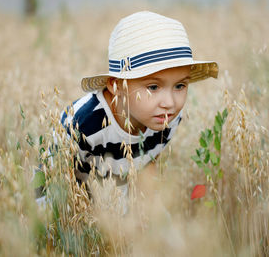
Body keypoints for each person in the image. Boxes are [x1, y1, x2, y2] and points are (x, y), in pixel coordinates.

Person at [54, 11, 218, 211]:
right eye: (153, 87)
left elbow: (147, 161)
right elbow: (54, 185)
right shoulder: (83, 124)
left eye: (180, 86)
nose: (169, 103)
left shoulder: (168, 119)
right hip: (78, 207)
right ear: (116, 86)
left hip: (124, 201)